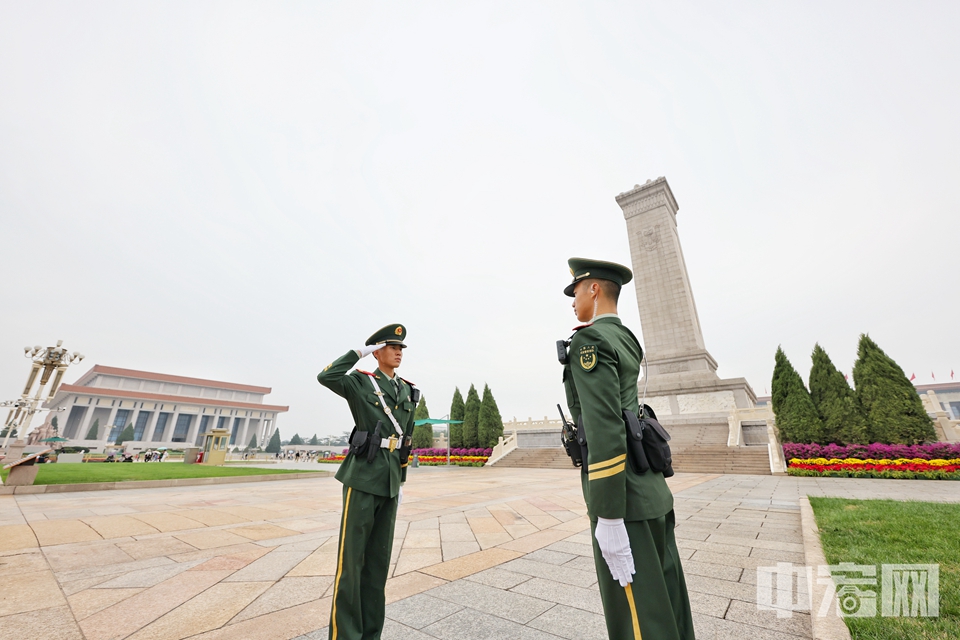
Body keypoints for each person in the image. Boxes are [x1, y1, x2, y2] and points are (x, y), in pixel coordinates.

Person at [560, 257, 695, 640]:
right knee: (667, 602)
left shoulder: (590, 340)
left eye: (575, 292)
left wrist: (608, 515)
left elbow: (604, 429)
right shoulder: (626, 337)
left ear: (593, 289)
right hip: (650, 491)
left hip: (625, 501)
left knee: (638, 619)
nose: (572, 302)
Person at [318, 324, 418, 640]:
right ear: (377, 350)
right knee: (352, 564)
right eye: (391, 346)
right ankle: (345, 635)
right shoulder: (362, 383)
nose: (399, 352)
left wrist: (400, 480)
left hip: (389, 480)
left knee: (377, 566)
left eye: (401, 348)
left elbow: (406, 440)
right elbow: (327, 377)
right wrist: (360, 351)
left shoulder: (409, 391)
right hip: (363, 477)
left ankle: (370, 633)